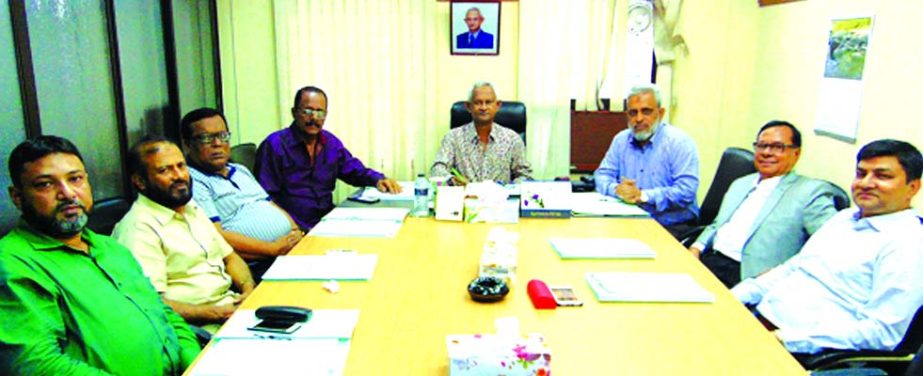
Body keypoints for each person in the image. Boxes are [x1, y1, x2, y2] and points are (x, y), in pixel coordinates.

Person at [0, 136, 200, 374]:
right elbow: (36, 366)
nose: (67, 193)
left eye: (75, 179)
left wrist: (196, 364)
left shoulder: (110, 248)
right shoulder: (13, 263)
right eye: (45, 184)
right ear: (17, 197)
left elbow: (163, 313)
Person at [732, 139, 923, 355]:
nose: (866, 183)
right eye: (861, 174)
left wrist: (787, 340)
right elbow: (794, 268)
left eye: (883, 176)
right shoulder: (844, 218)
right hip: (758, 319)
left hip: (799, 349)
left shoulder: (908, 244)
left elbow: (882, 332)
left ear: (913, 187)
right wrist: (734, 297)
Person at [113, 136, 256, 332]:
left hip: (232, 309)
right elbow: (153, 303)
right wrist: (218, 313)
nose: (179, 175)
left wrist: (248, 289)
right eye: (164, 170)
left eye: (181, 166)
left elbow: (230, 258)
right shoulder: (139, 228)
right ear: (140, 182)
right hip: (197, 328)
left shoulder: (189, 207)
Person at [688, 121, 840, 288]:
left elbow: (828, 245)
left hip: (747, 275)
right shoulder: (741, 183)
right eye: (762, 146)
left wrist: (782, 273)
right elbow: (717, 225)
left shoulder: (811, 192)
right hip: (708, 259)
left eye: (777, 147)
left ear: (796, 153)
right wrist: (696, 247)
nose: (767, 153)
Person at [254, 86, 402, 231]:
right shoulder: (274, 146)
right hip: (292, 228)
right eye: (307, 111)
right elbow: (265, 200)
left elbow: (353, 170)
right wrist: (294, 227)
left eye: (320, 112)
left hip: (327, 221)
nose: (314, 118)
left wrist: (378, 179)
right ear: (294, 113)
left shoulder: (330, 143)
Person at [180, 108, 304, 279]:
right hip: (256, 265)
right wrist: (273, 249)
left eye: (223, 136)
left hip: (288, 252)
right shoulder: (193, 180)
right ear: (187, 145)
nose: (217, 143)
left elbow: (269, 204)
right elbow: (215, 236)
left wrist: (296, 230)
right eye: (207, 138)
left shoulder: (240, 170)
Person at [594, 83, 700, 238]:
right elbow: (602, 175)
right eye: (632, 113)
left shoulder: (679, 143)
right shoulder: (621, 140)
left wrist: (643, 196)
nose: (638, 119)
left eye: (646, 111)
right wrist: (617, 189)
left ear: (661, 113)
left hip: (672, 226)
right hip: (628, 221)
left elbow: (686, 191)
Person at [430, 82, 532, 184]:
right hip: (465, 197)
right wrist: (451, 180)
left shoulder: (512, 139)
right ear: (468, 106)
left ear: (498, 105)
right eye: (478, 102)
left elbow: (525, 176)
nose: (483, 107)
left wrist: (510, 189)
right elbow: (437, 170)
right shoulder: (453, 138)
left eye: (488, 102)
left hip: (500, 198)